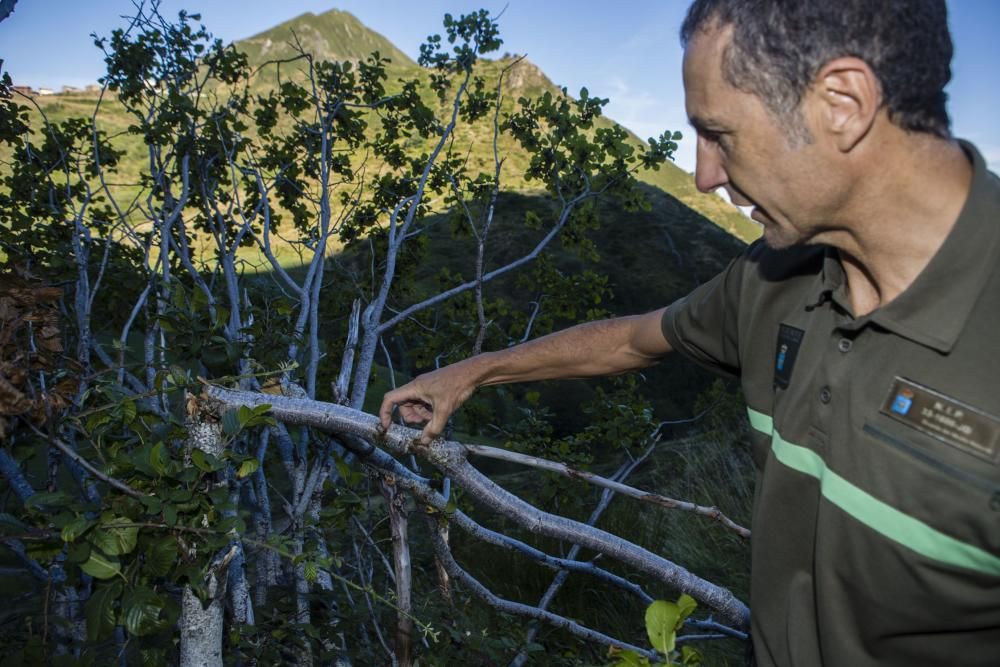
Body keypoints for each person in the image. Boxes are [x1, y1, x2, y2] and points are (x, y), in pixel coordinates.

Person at [380, 0, 1000, 664]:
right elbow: (630, 340)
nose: (704, 175)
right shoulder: (768, 281)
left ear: (842, 102)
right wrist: (469, 373)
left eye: (718, 133)